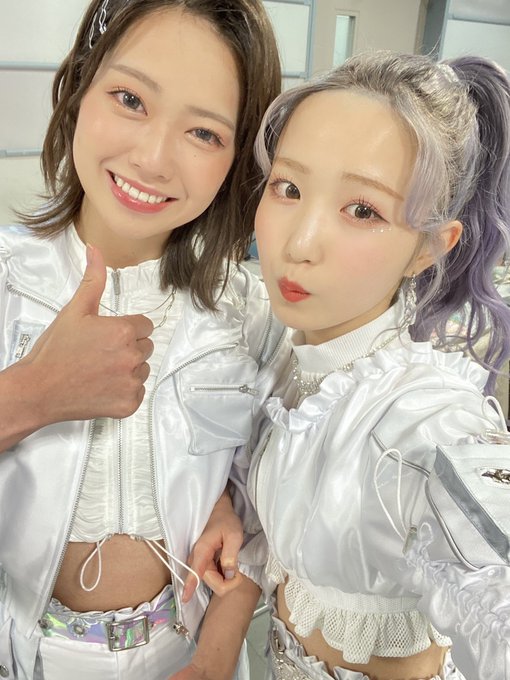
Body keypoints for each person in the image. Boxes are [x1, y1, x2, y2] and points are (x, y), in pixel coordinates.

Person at [0, 1, 288, 678]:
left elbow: (262, 522)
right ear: (79, 84)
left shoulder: (250, 313)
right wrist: (30, 394)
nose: (153, 159)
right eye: (130, 99)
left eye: (204, 133)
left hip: (186, 654)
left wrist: (214, 658)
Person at [246, 51, 510, 680]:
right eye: (288, 188)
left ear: (429, 247)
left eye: (362, 210)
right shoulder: (283, 350)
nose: (297, 244)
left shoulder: (426, 417)